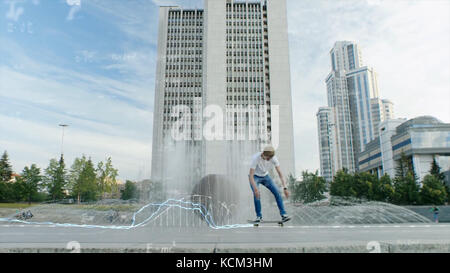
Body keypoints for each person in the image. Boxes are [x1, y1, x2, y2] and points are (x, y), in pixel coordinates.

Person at [249, 145, 291, 223]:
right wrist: (255, 189)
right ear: (263, 154)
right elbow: (251, 175)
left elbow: (280, 174)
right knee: (256, 194)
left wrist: (285, 188)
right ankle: (259, 216)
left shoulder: (273, 158)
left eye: (270, 158)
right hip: (255, 177)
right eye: (267, 158)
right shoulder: (256, 158)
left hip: (265, 177)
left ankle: (284, 215)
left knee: (277, 192)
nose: (269, 160)